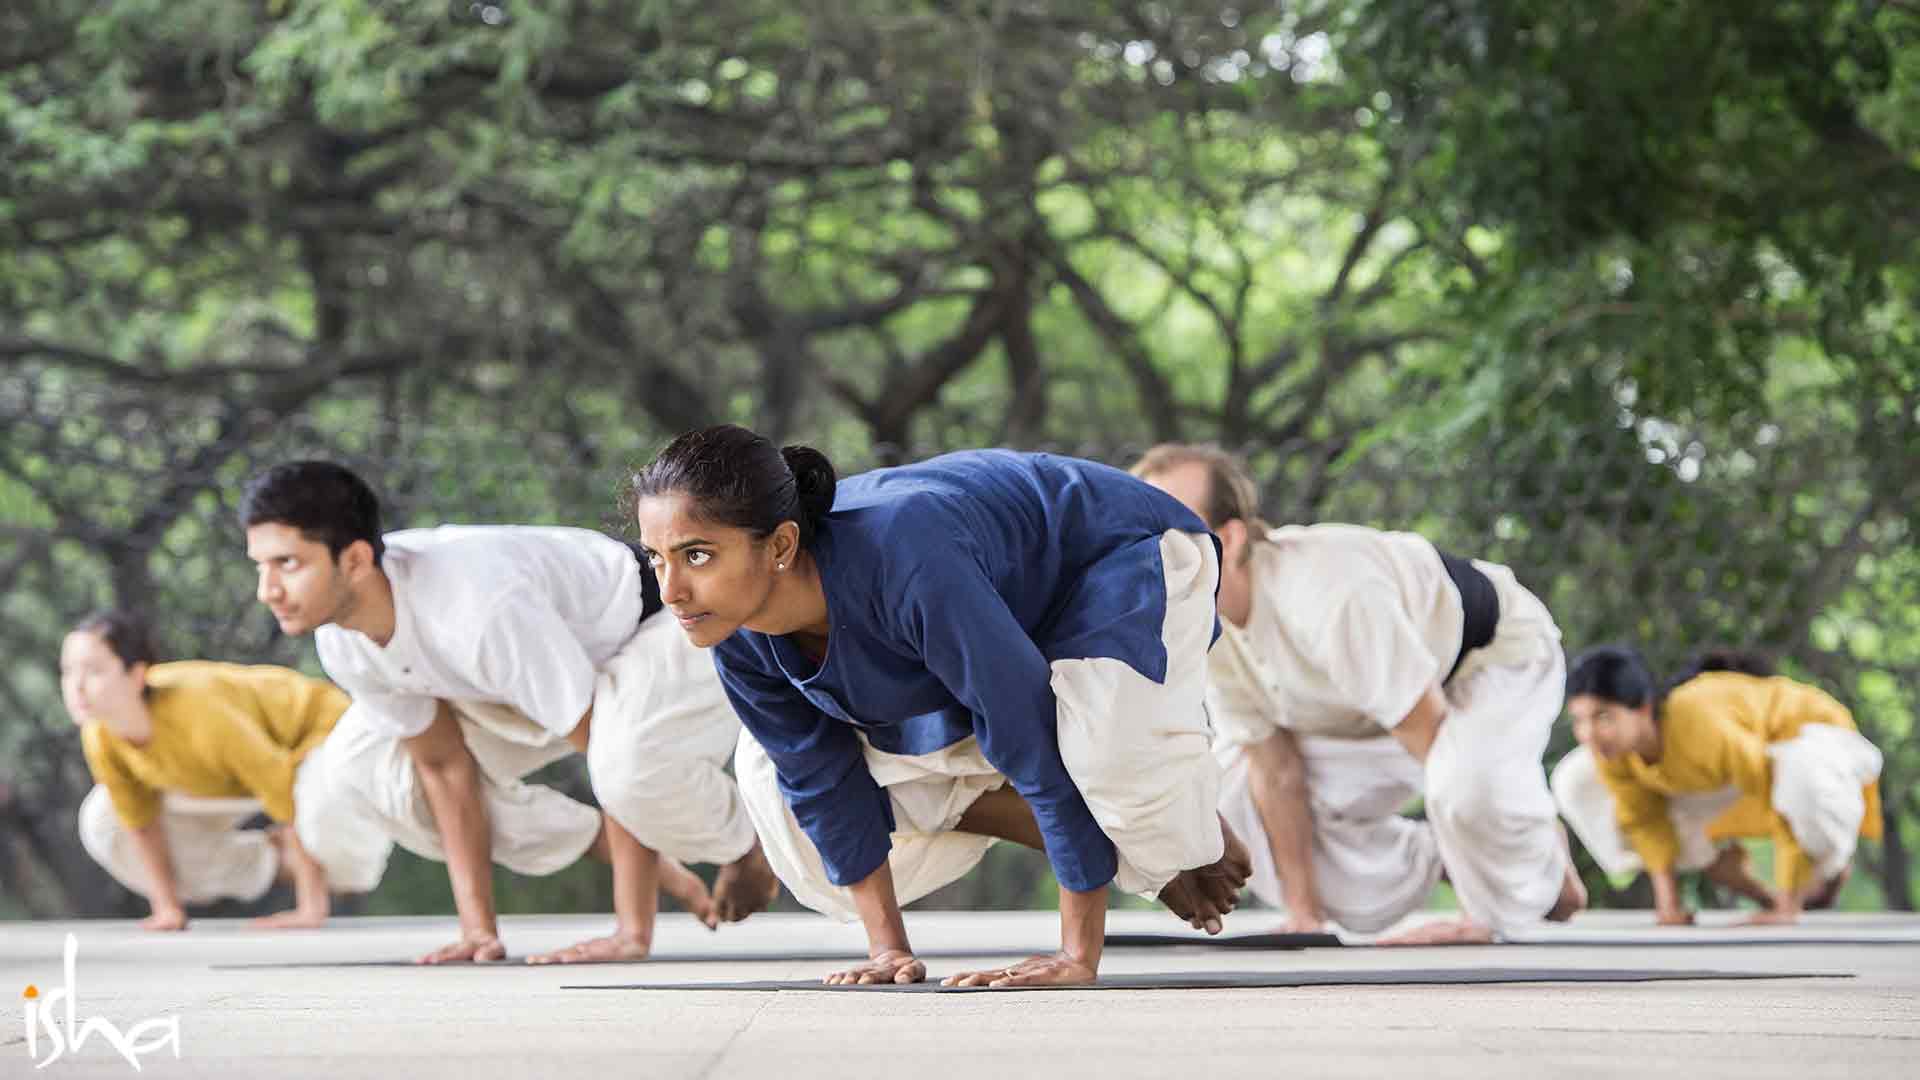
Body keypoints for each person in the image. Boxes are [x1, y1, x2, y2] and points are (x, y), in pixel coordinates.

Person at [630, 425, 1251, 987]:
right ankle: (1139, 824)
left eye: (698, 555)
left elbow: (1025, 733)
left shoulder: (906, 560)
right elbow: (818, 776)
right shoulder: (735, 632)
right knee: (799, 835)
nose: (671, 590)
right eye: (657, 558)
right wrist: (888, 952)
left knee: (1110, 766)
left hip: (1116, 551)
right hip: (997, 607)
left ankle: (1168, 807)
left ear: (782, 544)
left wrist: (1076, 956)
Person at [239, 460, 778, 964]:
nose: (269, 591)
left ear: (355, 559)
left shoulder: (476, 612)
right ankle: (657, 867)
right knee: (364, 765)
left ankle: (747, 844)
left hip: (652, 626)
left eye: (288, 564)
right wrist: (478, 931)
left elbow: (601, 750)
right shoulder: (343, 640)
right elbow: (445, 769)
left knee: (626, 767)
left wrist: (630, 934)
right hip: (513, 676)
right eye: (260, 566)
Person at [1133, 443, 1586, 944]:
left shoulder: (1327, 596)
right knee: (1227, 788)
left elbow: (1432, 740)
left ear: (1230, 538)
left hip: (1492, 661)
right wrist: (1305, 917)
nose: (1149, 545)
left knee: (1462, 782)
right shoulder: (1204, 621)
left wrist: (1475, 918)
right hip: (1369, 710)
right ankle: (1483, 856)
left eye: (1169, 527)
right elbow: (1274, 766)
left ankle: (1518, 857)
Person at [62, 610, 390, 930]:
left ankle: (328, 859)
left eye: (93, 671)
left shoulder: (199, 712)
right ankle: (275, 859)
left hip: (315, 734)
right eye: (67, 671)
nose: (76, 686)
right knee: (104, 820)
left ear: (135, 675)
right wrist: (168, 908)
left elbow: (283, 790)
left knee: (354, 867)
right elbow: (141, 823)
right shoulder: (99, 733)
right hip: (225, 780)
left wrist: (311, 908)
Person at [1556, 645, 1883, 926]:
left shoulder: (1698, 724)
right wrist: (1669, 908)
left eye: (1603, 717)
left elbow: (1771, 784)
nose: (1589, 734)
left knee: (1797, 778)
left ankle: (1825, 869)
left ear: (1642, 708)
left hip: (1816, 740)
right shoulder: (1614, 753)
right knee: (1575, 777)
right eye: (1579, 720)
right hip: (1743, 770)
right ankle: (1764, 890)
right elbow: (1645, 822)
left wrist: (1789, 905)